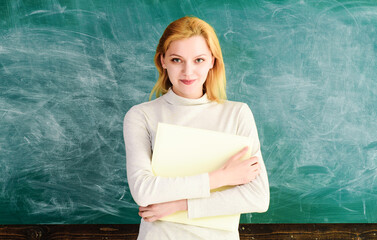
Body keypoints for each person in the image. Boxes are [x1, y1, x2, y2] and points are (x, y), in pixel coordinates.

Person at [123, 16, 269, 240]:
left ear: (213, 61)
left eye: (198, 60)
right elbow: (144, 191)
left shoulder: (237, 114)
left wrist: (178, 205)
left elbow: (257, 197)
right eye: (176, 60)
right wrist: (222, 177)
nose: (187, 72)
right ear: (162, 61)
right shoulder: (141, 115)